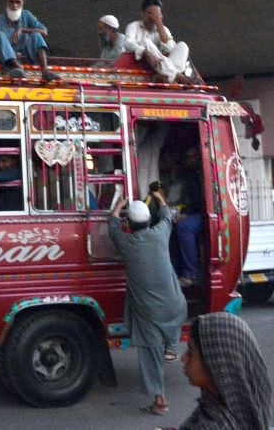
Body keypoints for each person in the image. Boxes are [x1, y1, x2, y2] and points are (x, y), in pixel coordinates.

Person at [108, 195, 187, 417]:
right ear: (148, 219)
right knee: (171, 314)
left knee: (149, 353)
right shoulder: (161, 233)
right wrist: (159, 197)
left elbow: (112, 222)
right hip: (176, 306)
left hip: (149, 313)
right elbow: (166, 213)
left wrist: (119, 206)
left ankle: (160, 401)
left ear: (129, 224)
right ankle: (170, 347)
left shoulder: (125, 242)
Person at [177, 312, 272, 430]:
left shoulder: (214, 425)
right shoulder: (244, 407)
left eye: (191, 353)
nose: (183, 358)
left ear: (216, 362)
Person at [0, 0, 59, 81]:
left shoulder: (26, 15)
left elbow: (44, 31)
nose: (14, 5)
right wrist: (12, 54)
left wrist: (23, 30)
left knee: (36, 35)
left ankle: (45, 71)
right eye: (11, 2)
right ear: (6, 2)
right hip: (6, 58)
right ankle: (17, 68)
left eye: (18, 2)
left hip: (26, 53)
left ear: (23, 2)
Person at [123, 0, 192, 84]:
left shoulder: (163, 29)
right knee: (145, 42)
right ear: (142, 14)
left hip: (162, 66)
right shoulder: (133, 26)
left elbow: (169, 49)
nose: (153, 16)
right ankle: (176, 76)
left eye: (157, 13)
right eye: (150, 13)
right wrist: (145, 52)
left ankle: (166, 76)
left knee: (183, 45)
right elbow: (127, 43)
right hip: (142, 64)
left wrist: (159, 23)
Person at [167, 146, 204, 288]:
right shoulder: (190, 175)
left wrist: (186, 215)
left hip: (208, 214)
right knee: (170, 228)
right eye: (188, 157)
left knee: (184, 227)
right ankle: (175, 272)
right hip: (194, 212)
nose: (190, 160)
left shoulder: (207, 171)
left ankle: (191, 274)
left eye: (193, 156)